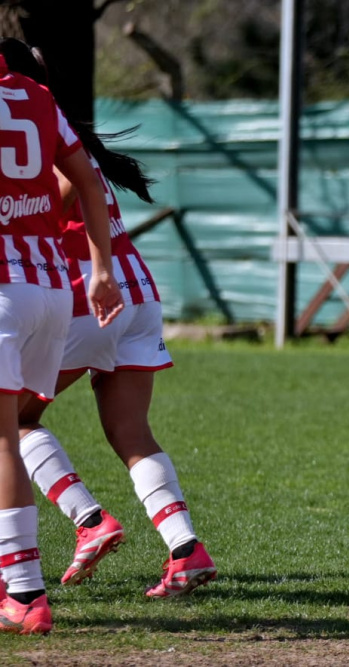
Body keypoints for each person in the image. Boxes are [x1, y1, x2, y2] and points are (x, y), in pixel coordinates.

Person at [0, 38, 217, 599]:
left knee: (16, 423)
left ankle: (90, 521)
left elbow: (47, 209)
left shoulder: (29, 140)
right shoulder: (58, 131)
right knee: (130, 432)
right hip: (136, 294)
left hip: (91, 298)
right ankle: (186, 550)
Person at [0, 46, 124, 633]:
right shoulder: (37, 96)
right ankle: (15, 580)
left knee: (5, 438)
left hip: (4, 288)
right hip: (52, 288)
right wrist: (101, 269)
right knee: (11, 433)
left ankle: (24, 592)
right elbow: (88, 185)